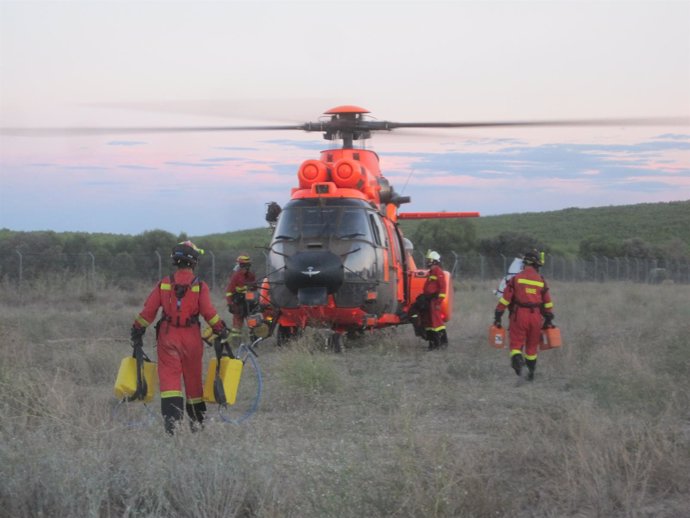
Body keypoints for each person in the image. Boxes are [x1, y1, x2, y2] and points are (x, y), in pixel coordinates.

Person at [130, 241, 229, 434]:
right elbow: (209, 312)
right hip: (192, 339)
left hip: (168, 338)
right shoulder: (200, 286)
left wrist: (137, 328)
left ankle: (172, 428)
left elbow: (149, 311)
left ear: (175, 261)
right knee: (193, 381)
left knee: (169, 382)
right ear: (194, 263)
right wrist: (220, 328)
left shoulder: (164, 283)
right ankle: (197, 425)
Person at [494, 250, 554, 381]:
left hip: (519, 315)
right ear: (536, 264)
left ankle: (520, 369)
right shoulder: (541, 280)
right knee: (532, 348)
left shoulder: (516, 279)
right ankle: (530, 377)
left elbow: (505, 299)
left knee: (516, 346)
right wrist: (548, 319)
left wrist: (498, 315)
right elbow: (547, 302)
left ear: (524, 263)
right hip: (536, 317)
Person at [225, 254, 257, 347]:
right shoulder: (236, 276)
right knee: (237, 326)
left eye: (248, 265)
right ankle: (236, 343)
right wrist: (230, 304)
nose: (247, 267)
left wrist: (253, 301)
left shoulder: (251, 275)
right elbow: (229, 291)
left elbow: (254, 290)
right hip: (238, 304)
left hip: (249, 304)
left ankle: (254, 342)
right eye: (245, 265)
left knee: (252, 323)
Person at [420, 250, 449, 350]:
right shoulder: (431, 272)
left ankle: (442, 342)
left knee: (437, 322)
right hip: (429, 300)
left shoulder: (438, 271)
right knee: (429, 322)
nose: (428, 261)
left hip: (434, 301)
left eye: (429, 260)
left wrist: (439, 301)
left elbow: (442, 288)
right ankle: (432, 343)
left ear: (434, 261)